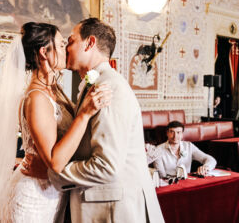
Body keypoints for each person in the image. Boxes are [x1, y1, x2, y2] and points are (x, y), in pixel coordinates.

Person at [0, 22, 110, 222]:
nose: (65, 49)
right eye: (59, 45)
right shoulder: (37, 98)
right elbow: (55, 162)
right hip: (32, 197)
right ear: (43, 52)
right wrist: (84, 114)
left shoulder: (54, 89)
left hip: (52, 193)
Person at [44, 18, 164, 222]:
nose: (67, 48)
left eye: (71, 41)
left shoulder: (108, 88)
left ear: (89, 43)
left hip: (114, 211)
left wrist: (55, 173)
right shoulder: (95, 83)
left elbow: (106, 167)